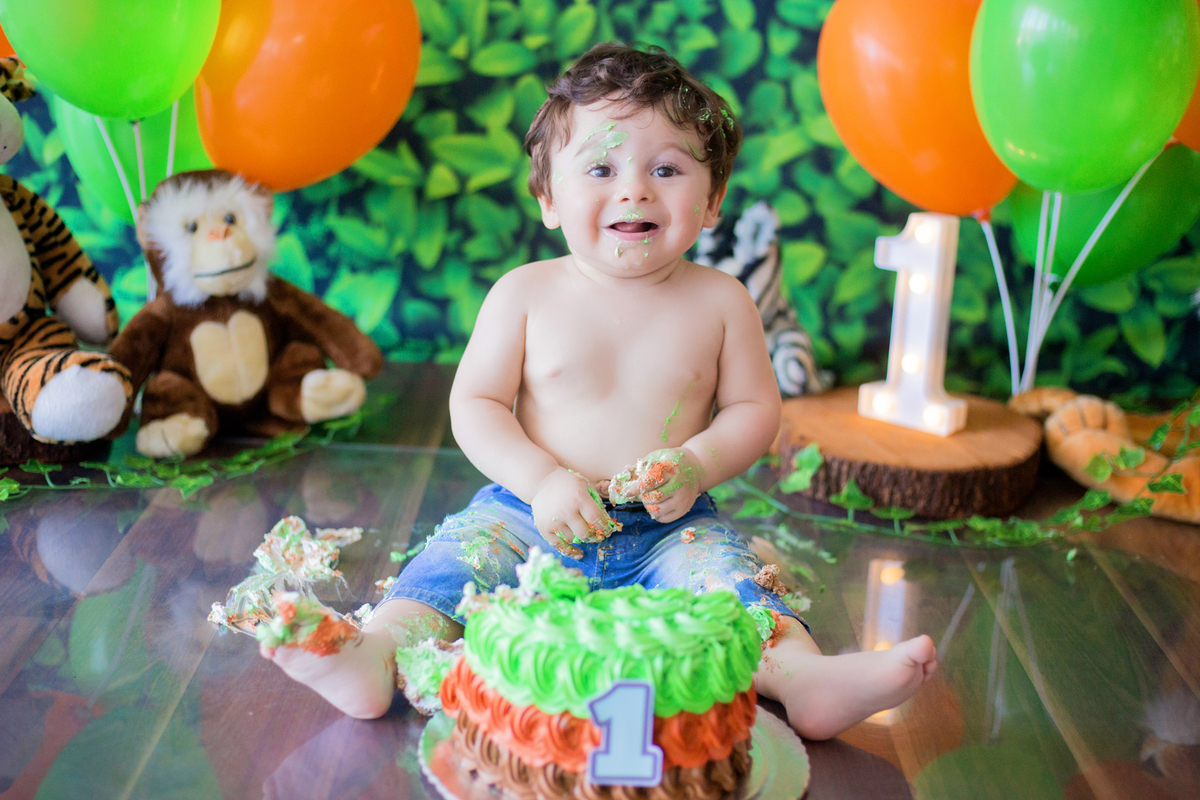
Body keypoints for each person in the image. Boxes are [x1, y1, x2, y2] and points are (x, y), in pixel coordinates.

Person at [264, 42, 937, 739]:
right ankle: (377, 654)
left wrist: (696, 464)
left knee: (732, 585)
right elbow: (475, 405)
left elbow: (753, 410)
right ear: (549, 198)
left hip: (670, 527)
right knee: (449, 565)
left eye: (666, 169)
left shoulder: (722, 301)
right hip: (527, 514)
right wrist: (541, 479)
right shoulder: (524, 294)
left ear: (712, 200)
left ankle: (803, 680)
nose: (634, 190)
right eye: (600, 168)